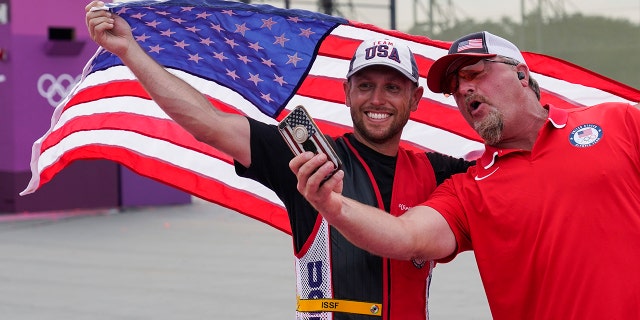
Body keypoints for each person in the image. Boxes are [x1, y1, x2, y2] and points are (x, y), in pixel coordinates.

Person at [85, 2, 474, 319]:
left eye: (393, 87)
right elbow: (208, 124)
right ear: (346, 92)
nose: (377, 100)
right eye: (366, 86)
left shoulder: (440, 172)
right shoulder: (309, 157)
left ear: (416, 99)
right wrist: (129, 51)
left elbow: (511, 176)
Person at [291, 30, 640, 320]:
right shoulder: (470, 187)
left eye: (473, 73)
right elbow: (403, 236)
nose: (462, 89)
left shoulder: (618, 122)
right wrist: (332, 206)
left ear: (521, 73)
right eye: (454, 86)